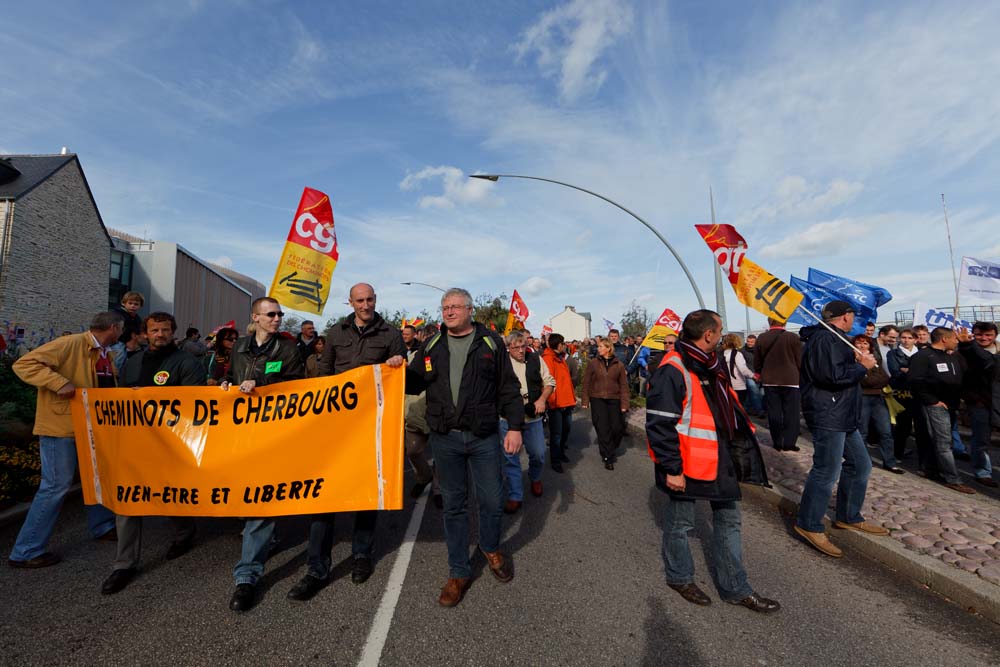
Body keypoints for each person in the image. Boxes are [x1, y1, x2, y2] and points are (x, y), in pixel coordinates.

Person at [646, 309, 778, 613]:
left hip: (721, 458)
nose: (721, 336)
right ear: (708, 335)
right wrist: (672, 469)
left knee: (730, 521)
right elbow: (659, 425)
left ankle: (735, 588)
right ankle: (679, 577)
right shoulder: (673, 368)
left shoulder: (711, 364)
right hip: (687, 464)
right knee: (680, 523)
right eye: (719, 331)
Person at [287, 284, 407, 602]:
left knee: (365, 494)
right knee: (324, 496)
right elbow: (325, 372)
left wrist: (397, 364)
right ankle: (316, 568)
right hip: (335, 427)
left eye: (370, 299)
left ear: (375, 301)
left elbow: (400, 371)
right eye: (360, 300)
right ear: (350, 302)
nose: (366, 304)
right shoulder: (336, 332)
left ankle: (361, 556)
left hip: (371, 426)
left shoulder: (391, 333)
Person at [405, 288, 523, 607]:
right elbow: (412, 382)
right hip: (445, 438)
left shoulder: (490, 343)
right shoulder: (431, 345)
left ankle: (490, 547)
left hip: (483, 436)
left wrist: (514, 426)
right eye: (445, 307)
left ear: (470, 310)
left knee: (493, 499)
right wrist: (394, 369)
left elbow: (508, 388)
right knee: (453, 505)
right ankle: (458, 571)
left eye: (455, 306)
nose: (449, 311)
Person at [101, 312, 206, 594]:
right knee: (128, 500)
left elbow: (194, 406)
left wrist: (151, 399)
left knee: (170, 495)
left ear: (174, 332)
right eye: (154, 330)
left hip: (171, 444)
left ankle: (185, 532)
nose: (160, 334)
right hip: (135, 442)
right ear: (145, 333)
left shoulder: (187, 363)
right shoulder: (133, 361)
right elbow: (122, 399)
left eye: (165, 330)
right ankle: (124, 564)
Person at [8, 312, 122, 568]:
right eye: (121, 329)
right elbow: (23, 364)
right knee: (55, 486)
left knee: (96, 478)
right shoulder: (70, 344)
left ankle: (102, 526)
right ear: (114, 328)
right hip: (62, 427)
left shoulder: (104, 352)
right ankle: (25, 551)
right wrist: (58, 382)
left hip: (90, 427)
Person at [222, 297, 305, 612]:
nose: (277, 318)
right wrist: (228, 385)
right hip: (242, 433)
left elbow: (297, 386)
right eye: (271, 314)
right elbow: (231, 374)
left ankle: (246, 576)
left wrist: (263, 384)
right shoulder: (240, 346)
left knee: (259, 501)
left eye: (280, 314)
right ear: (255, 317)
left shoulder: (287, 349)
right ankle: (264, 539)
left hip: (272, 432)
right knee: (246, 498)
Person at [795, 301, 888, 558]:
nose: (854, 319)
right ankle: (808, 524)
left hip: (843, 414)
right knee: (826, 470)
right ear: (845, 316)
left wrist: (857, 361)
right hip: (829, 414)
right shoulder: (825, 339)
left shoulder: (837, 338)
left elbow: (837, 371)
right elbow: (831, 377)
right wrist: (861, 367)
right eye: (852, 315)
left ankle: (848, 515)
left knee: (860, 465)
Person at [908, 327, 976, 494]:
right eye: (954, 338)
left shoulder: (951, 356)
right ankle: (953, 479)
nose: (956, 340)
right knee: (944, 443)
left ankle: (930, 469)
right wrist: (933, 401)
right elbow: (915, 380)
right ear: (944, 339)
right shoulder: (922, 356)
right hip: (935, 406)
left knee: (940, 440)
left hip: (951, 405)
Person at [501, 331, 555, 512]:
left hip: (532, 418)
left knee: (539, 453)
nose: (521, 350)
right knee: (510, 458)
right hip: (507, 418)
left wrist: (541, 400)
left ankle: (535, 476)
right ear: (508, 348)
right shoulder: (501, 362)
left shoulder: (535, 359)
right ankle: (515, 495)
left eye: (523, 346)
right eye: (516, 347)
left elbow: (549, 382)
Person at [853, 335, 903, 474]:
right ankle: (862, 461)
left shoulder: (874, 360)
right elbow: (864, 381)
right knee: (862, 432)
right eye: (859, 343)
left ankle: (890, 462)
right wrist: (871, 379)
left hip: (878, 398)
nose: (862, 346)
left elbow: (885, 378)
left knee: (885, 432)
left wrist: (871, 379)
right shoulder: (852, 362)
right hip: (862, 398)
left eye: (865, 344)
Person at [753, 317, 803, 452]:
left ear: (769, 322)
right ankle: (789, 442)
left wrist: (759, 372)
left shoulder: (762, 338)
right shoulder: (793, 337)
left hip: (770, 380)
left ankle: (777, 442)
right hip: (790, 380)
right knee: (791, 413)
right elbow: (800, 359)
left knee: (774, 412)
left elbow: (757, 360)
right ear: (784, 322)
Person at [958, 322, 998, 488]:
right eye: (980, 335)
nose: (984, 338)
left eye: (988, 335)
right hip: (979, 402)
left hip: (997, 401)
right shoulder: (964, 352)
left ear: (995, 335)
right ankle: (982, 471)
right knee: (981, 439)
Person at [583, 338, 630, 470]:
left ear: (608, 348)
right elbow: (586, 382)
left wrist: (625, 404)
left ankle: (610, 447)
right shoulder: (593, 363)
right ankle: (607, 456)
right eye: (598, 346)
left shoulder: (619, 365)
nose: (598, 349)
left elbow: (624, 386)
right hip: (597, 399)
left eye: (601, 346)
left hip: (614, 399)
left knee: (616, 428)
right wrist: (585, 400)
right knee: (602, 428)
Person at [887, 328, 926, 463]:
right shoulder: (893, 354)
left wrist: (907, 370)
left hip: (919, 392)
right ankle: (898, 453)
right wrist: (913, 372)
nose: (906, 340)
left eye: (910, 338)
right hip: (901, 392)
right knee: (902, 425)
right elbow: (895, 372)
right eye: (903, 337)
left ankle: (923, 457)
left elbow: (927, 373)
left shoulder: (922, 353)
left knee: (921, 425)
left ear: (915, 339)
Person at [541, 333, 577, 473]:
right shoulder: (548, 359)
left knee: (565, 430)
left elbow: (566, 381)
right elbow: (548, 382)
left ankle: (561, 453)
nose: (565, 346)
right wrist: (551, 402)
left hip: (566, 401)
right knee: (556, 434)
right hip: (556, 404)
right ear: (559, 345)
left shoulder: (560, 358)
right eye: (563, 343)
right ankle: (555, 460)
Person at [111, 291, 144, 374]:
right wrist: (126, 341)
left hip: (130, 341)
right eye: (130, 303)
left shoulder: (137, 318)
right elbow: (119, 330)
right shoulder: (118, 314)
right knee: (119, 353)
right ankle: (114, 372)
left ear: (140, 306)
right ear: (123, 303)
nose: (133, 306)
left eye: (136, 304)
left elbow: (137, 330)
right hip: (117, 340)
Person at [720, 333, 754, 406]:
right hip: (738, 385)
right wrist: (753, 376)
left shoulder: (721, 354)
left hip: (725, 384)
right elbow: (743, 369)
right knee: (739, 406)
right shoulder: (737, 354)